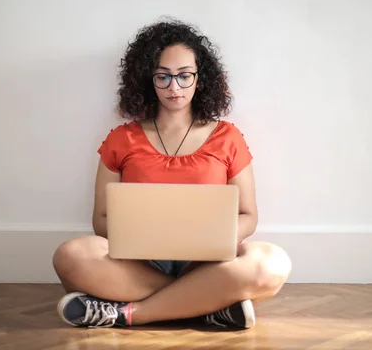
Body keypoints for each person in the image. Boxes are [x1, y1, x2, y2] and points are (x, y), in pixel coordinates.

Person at [52, 19, 292, 329]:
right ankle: (206, 305)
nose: (174, 87)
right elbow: (101, 220)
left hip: (207, 263)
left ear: (200, 78)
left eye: (184, 76)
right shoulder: (121, 139)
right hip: (140, 263)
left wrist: (211, 239)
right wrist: (144, 237)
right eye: (163, 77)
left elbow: (248, 215)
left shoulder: (228, 137)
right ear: (147, 80)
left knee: (271, 263)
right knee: (70, 255)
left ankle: (127, 313)